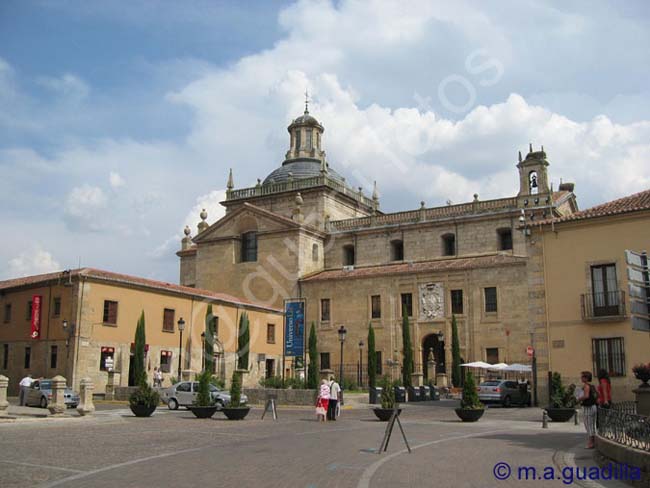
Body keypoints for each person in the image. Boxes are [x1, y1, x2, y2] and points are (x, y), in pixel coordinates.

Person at [577, 371, 597, 449]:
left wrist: (578, 399)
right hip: (593, 406)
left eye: (582, 377)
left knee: (588, 425)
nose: (581, 378)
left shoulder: (586, 386)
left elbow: (586, 396)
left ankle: (591, 443)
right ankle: (593, 442)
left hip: (588, 407)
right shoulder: (592, 386)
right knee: (592, 424)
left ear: (586, 378)